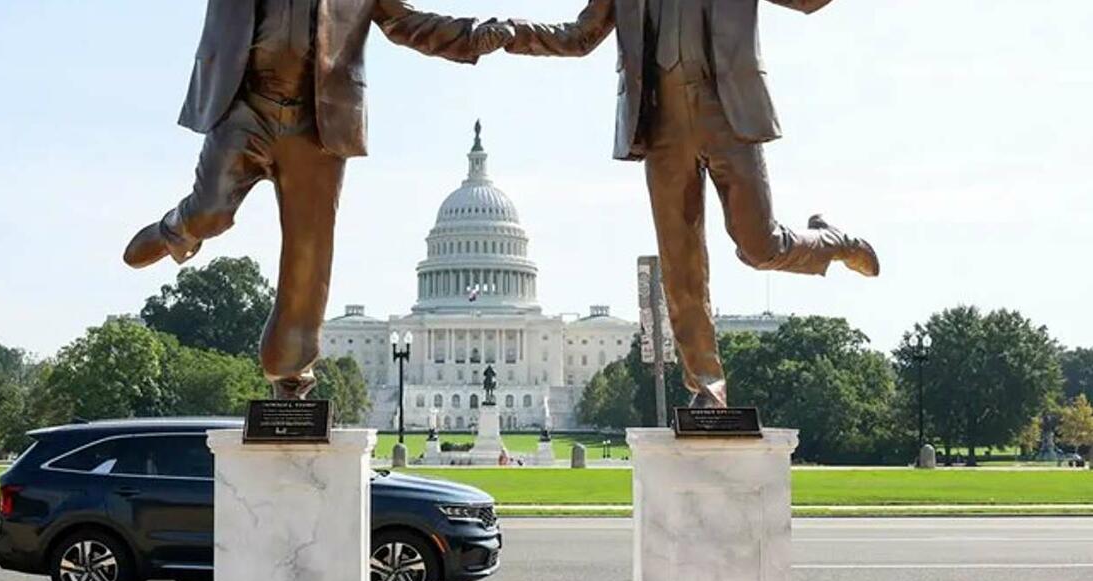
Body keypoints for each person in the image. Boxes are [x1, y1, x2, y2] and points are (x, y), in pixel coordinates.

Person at [122, 0, 513, 399]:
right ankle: (179, 228)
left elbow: (408, 23)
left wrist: (472, 38)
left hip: (316, 124)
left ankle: (290, 369)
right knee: (211, 213)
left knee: (308, 254)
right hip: (246, 107)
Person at [501, 0, 879, 408]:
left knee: (759, 246)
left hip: (728, 113)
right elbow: (578, 37)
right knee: (680, 264)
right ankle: (707, 385)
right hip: (662, 126)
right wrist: (509, 33)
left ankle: (835, 242)